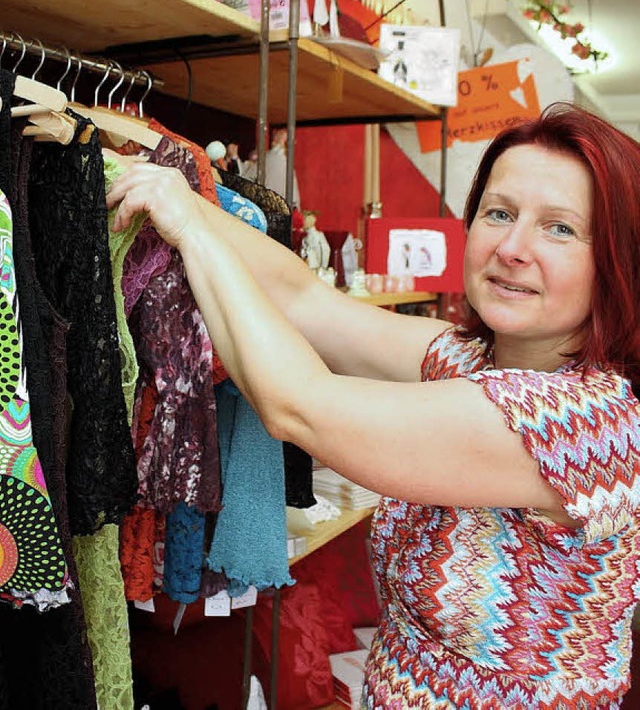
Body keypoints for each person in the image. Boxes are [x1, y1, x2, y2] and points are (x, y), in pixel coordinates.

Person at [106, 103, 640, 709]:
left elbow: (300, 405)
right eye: (499, 213)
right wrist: (182, 195)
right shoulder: (471, 362)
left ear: (616, 261)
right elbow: (306, 299)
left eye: (560, 228)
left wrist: (193, 231)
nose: (513, 247)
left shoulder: (583, 425)